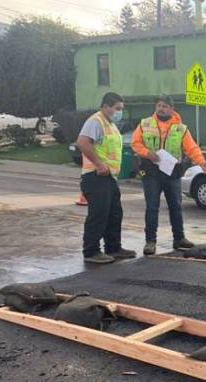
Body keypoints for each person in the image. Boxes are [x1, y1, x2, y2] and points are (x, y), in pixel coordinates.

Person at [132, 95, 206, 255]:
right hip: (151, 171)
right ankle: (150, 242)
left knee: (176, 206)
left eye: (165, 106)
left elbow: (191, 147)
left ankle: (179, 238)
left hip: (172, 172)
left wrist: (201, 161)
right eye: (159, 105)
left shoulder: (181, 128)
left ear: (172, 109)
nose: (161, 108)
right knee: (152, 207)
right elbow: (135, 143)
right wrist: (148, 153)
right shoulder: (145, 124)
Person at [76, 92, 136, 264]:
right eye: (117, 109)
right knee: (99, 214)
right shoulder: (96, 121)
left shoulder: (111, 125)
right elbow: (82, 142)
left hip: (109, 177)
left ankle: (114, 247)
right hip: (95, 176)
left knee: (115, 213)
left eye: (121, 109)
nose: (120, 113)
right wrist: (99, 163)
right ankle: (91, 251)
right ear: (105, 107)